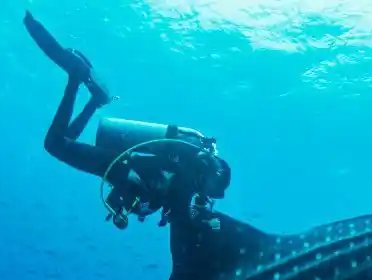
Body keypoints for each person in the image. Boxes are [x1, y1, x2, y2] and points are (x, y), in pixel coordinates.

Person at [24, 11, 231, 230]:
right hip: (118, 165)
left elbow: (172, 205)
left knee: (64, 141)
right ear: (212, 175)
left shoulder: (188, 179)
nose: (209, 194)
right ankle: (75, 76)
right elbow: (165, 191)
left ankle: (94, 100)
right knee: (54, 144)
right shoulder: (190, 170)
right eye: (214, 188)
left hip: (119, 167)